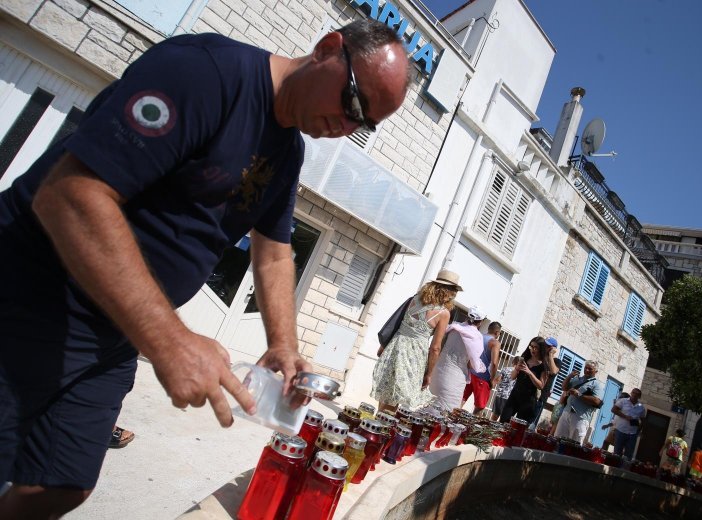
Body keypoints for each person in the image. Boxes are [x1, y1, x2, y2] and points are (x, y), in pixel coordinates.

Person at [0, 19, 410, 518]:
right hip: (31, 294)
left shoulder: (287, 151)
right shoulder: (207, 74)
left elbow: (275, 247)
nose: (347, 126)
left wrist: (283, 344)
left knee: (63, 482)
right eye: (352, 103)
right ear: (327, 49)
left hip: (112, 333)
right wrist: (169, 338)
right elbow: (69, 194)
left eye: (363, 124)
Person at [371, 269, 459, 412]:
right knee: (398, 396)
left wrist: (383, 345)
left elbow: (396, 322)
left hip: (396, 345)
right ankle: (381, 427)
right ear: (450, 292)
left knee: (388, 391)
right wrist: (429, 374)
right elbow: (435, 347)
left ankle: (378, 420)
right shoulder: (443, 313)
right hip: (414, 354)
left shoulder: (414, 300)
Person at [429, 307, 487, 411]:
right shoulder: (476, 337)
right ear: (481, 322)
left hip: (438, 372)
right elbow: (473, 364)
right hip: (455, 379)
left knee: (429, 404)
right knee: (446, 412)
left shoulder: (454, 327)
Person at [500, 337, 559, 424]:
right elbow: (512, 377)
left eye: (536, 347)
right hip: (515, 394)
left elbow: (541, 386)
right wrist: (517, 368)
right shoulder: (525, 358)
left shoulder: (543, 365)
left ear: (540, 349)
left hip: (528, 400)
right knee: (504, 420)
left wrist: (529, 372)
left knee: (518, 427)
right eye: (531, 346)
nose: (533, 349)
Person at [553, 360, 603, 443]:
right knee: (557, 439)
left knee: (573, 443)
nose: (587, 370)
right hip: (566, 412)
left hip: (580, 417)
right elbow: (564, 388)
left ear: (596, 371)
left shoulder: (596, 384)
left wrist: (579, 395)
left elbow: (597, 401)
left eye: (590, 369)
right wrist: (569, 376)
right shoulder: (577, 379)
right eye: (586, 368)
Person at [462, 321, 501, 415]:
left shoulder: (479, 336)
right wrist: (491, 380)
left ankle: (452, 421)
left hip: (470, 372)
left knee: (462, 399)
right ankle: (469, 428)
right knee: (479, 407)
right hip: (482, 377)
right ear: (497, 332)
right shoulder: (495, 343)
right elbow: (494, 363)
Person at [529, 337, 561, 426]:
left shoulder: (556, 361)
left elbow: (554, 371)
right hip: (529, 393)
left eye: (548, 346)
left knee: (531, 424)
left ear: (553, 348)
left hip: (541, 397)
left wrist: (550, 355)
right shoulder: (539, 357)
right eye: (545, 345)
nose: (545, 347)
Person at [611, 387, 646, 459]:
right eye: (633, 393)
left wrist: (638, 431)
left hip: (632, 434)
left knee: (628, 455)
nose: (634, 395)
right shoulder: (623, 401)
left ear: (639, 396)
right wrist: (625, 416)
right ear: (631, 393)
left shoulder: (641, 407)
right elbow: (613, 410)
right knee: (617, 453)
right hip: (621, 430)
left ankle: (623, 469)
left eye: (637, 394)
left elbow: (643, 421)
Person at [490, 355, 518, 421]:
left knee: (494, 417)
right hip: (509, 398)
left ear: (513, 361)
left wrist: (490, 386)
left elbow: (497, 379)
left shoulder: (505, 369)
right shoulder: (519, 373)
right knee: (504, 419)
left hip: (500, 395)